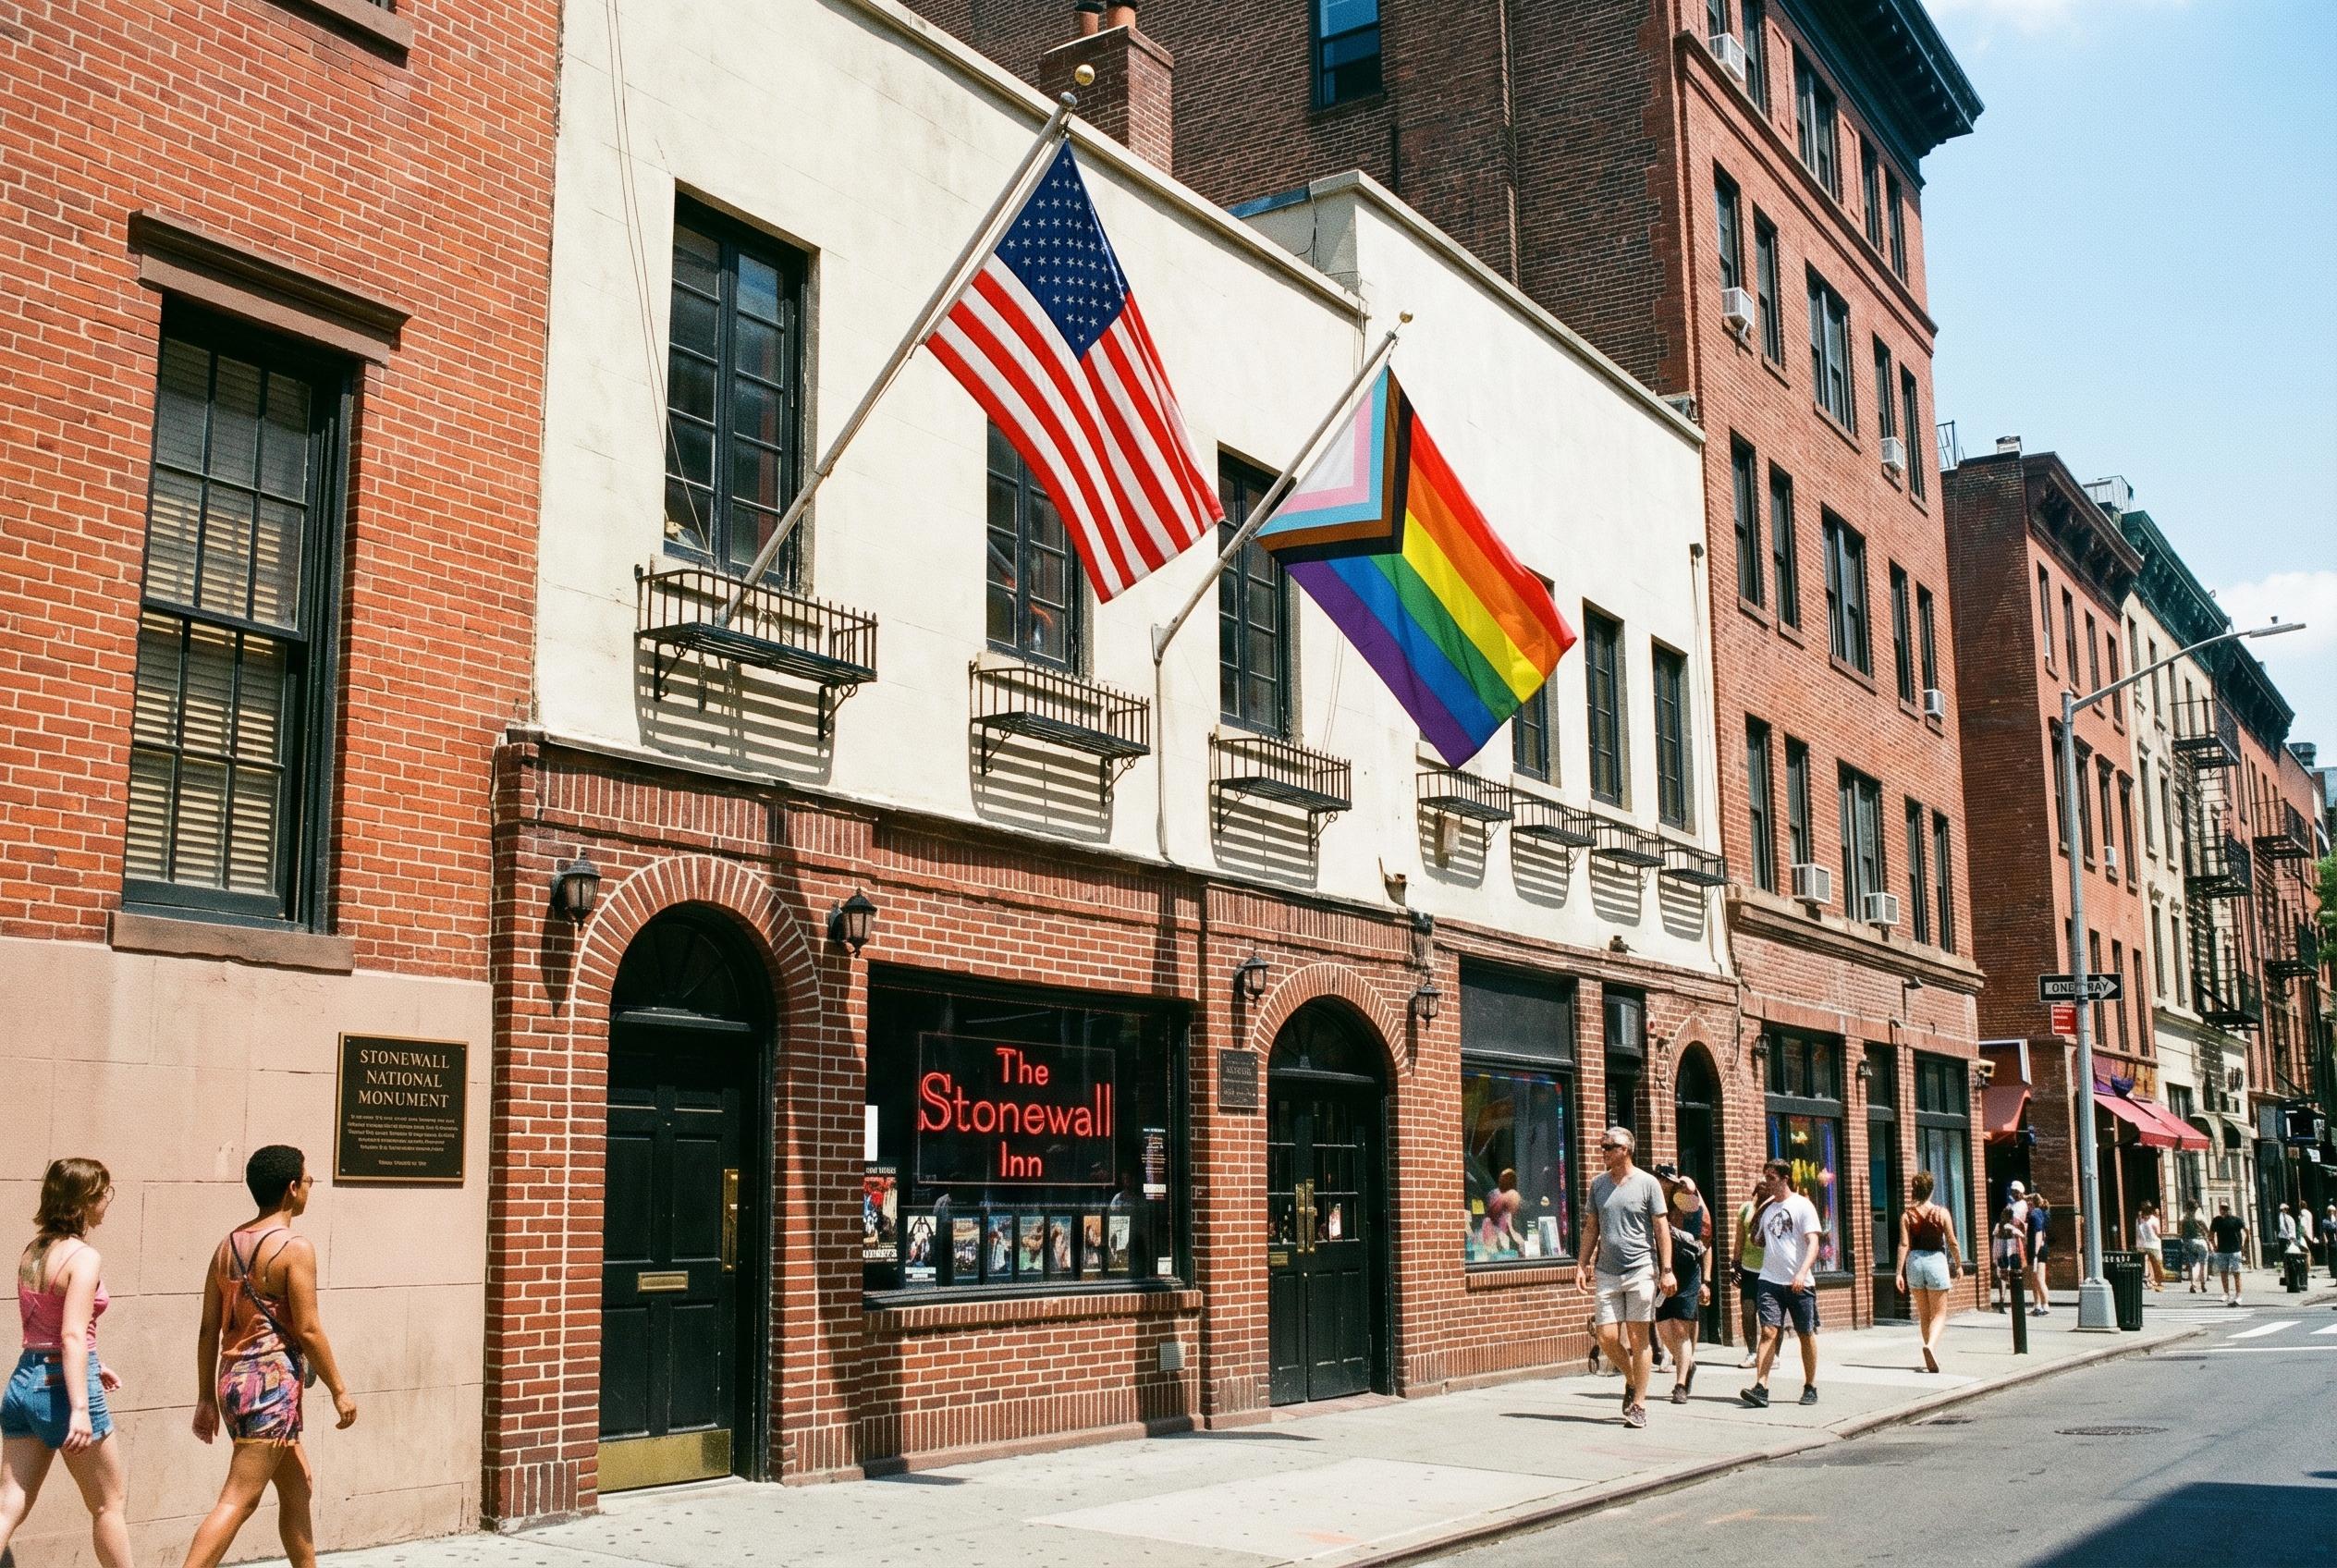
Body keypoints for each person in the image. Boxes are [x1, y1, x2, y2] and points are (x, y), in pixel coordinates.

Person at [182, 1146, 358, 1568]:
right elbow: (309, 1329)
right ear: (291, 1188)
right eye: (308, 1181)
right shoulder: (295, 1248)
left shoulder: (227, 1245)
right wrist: (340, 1390)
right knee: (238, 1501)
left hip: (234, 1381)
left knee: (298, 1487)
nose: (309, 1188)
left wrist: (206, 1397)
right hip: (270, 1386)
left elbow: (210, 1329)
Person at [0, 1158, 130, 1568]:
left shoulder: (34, 1251)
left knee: (8, 1503)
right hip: (62, 1387)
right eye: (103, 1194)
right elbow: (70, 1335)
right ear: (85, 1200)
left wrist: (95, 1362)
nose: (106, 1203)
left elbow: (47, 1325)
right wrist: (79, 1408)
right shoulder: (84, 1257)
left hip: (24, 1380)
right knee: (109, 1505)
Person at [1573, 1128, 1673, 1430]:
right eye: (1602, 1146)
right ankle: (1632, 1379)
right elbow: (1592, 1228)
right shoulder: (1598, 1185)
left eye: (1609, 1146)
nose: (1603, 1151)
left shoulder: (1648, 1184)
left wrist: (1666, 1270)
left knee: (1639, 1337)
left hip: (1641, 1268)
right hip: (1607, 1271)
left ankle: (1640, 1404)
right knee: (1605, 1336)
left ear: (1626, 1149)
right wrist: (1582, 1264)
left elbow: (1661, 1229)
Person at [1740, 1158, 1822, 1410]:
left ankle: (1810, 1386)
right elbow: (1759, 1239)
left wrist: (1801, 1272)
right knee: (1768, 1332)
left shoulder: (1802, 1206)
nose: (1767, 1182)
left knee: (1805, 1334)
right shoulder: (1767, 1208)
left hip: (1799, 1282)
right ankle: (1761, 1387)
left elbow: (1814, 1243)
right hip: (1769, 1280)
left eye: (1772, 1178)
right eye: (1765, 1176)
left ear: (1785, 1179)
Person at [1895, 1170, 1963, 1374]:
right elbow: (1952, 1241)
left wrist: (1898, 1272)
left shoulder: (1907, 1215)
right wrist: (1958, 1264)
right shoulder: (1941, 1213)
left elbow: (1903, 1244)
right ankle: (1931, 1346)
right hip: (1935, 1261)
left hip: (1914, 1263)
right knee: (1940, 1313)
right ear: (1931, 1189)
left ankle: (1929, 1354)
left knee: (1924, 1314)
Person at [1655, 1172, 1712, 1404]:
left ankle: (1680, 1385)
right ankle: (1687, 1363)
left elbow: (1706, 1242)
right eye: (1660, 1180)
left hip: (1687, 1272)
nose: (1663, 1183)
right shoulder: (1654, 1201)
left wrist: (1706, 1281)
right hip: (1661, 1272)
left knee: (1680, 1328)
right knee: (1663, 1326)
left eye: (1667, 1179)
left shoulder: (1685, 1202)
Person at [1731, 1178, 1768, 1366]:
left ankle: (1773, 1354)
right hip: (1749, 1268)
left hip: (1770, 1270)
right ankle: (1752, 1352)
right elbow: (1739, 1239)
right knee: (1748, 1311)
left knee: (1769, 1315)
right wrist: (1735, 1263)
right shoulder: (1746, 1208)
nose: (1762, 1185)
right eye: (1760, 1184)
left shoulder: (1774, 1208)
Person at [2208, 1200, 2247, 1307]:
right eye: (2222, 1208)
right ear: (2219, 1209)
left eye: (2226, 1208)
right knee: (2223, 1272)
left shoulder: (2236, 1220)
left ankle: (2238, 1295)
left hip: (2235, 1250)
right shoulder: (2216, 1220)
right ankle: (2226, 1293)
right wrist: (2214, 1246)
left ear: (2229, 1209)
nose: (2224, 1210)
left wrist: (2243, 1245)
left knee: (2236, 1273)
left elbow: (2246, 1231)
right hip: (2222, 1250)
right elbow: (2210, 1234)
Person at [1988, 1201, 2026, 1312]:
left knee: (2002, 1279)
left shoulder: (1997, 1226)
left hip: (2000, 1255)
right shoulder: (2010, 1227)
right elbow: (2022, 1235)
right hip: (2010, 1255)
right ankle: (2014, 1302)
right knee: (2013, 1278)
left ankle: (2002, 1301)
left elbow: (1995, 1239)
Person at [2025, 1194, 2052, 1315]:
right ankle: (2038, 1305)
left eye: (2027, 1202)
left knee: (2039, 1279)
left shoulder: (2035, 1213)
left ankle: (2044, 1305)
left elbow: (2039, 1233)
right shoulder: (2041, 1212)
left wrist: (2035, 1252)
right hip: (2040, 1249)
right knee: (2035, 1279)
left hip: (2037, 1250)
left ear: (2031, 1203)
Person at [2135, 1202, 2165, 1292]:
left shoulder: (2139, 1219)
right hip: (2154, 1245)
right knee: (2157, 1265)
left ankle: (2148, 1278)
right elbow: (2158, 1233)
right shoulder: (2153, 1220)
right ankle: (2158, 1282)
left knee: (2147, 1262)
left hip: (2142, 1245)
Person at [2180, 1204, 2209, 1293]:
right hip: (2201, 1241)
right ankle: (2203, 1284)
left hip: (2189, 1241)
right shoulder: (2200, 1217)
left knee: (2193, 1264)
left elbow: (2181, 1230)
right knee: (2203, 1263)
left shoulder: (2183, 1218)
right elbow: (2207, 1230)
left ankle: (2193, 1285)